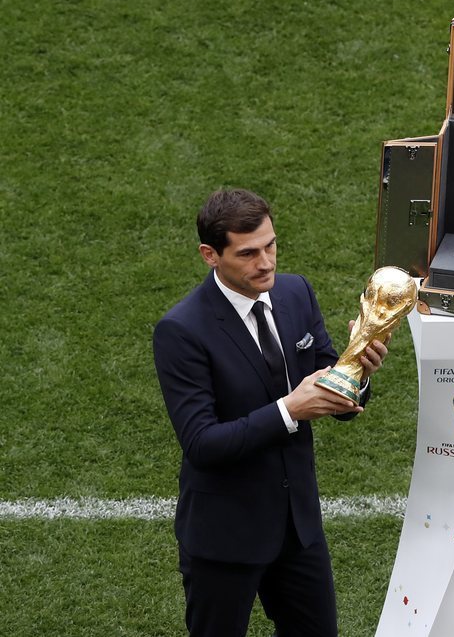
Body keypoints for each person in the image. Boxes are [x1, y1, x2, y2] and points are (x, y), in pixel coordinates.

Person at [153, 188, 387, 637]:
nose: (266, 263)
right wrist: (289, 409)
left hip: (298, 530)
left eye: (271, 245)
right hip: (225, 536)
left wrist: (359, 370)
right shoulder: (181, 331)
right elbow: (202, 444)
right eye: (248, 253)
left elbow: (334, 390)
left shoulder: (295, 292)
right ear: (210, 255)